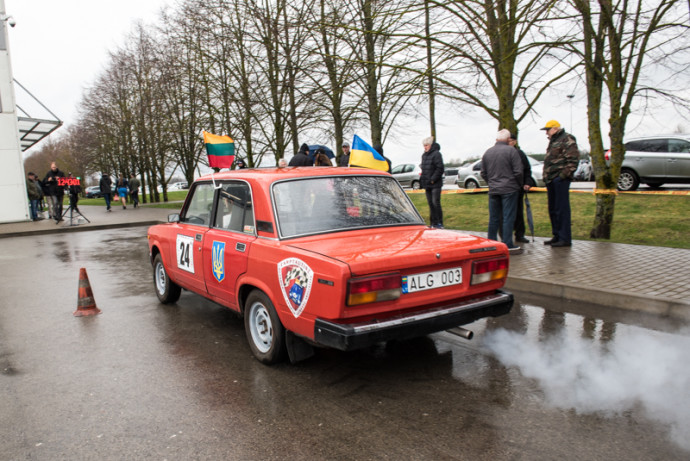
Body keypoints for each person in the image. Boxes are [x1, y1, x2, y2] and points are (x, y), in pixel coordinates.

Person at [481, 129, 524, 254]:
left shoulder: (488, 152)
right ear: (508, 139)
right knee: (507, 217)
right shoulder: (512, 151)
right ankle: (507, 243)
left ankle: (491, 242)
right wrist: (518, 184)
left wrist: (491, 182)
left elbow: (483, 172)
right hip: (509, 189)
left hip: (494, 189)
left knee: (493, 218)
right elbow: (518, 171)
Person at [541, 120, 580, 247]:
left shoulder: (567, 139)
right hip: (551, 180)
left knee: (561, 209)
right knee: (553, 209)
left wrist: (562, 176)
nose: (546, 132)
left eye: (548, 129)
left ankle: (565, 238)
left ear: (555, 128)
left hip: (560, 180)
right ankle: (557, 235)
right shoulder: (553, 141)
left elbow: (573, 160)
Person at [509, 132, 532, 243]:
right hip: (507, 187)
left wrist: (527, 182)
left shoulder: (520, 154)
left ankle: (520, 234)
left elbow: (527, 169)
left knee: (519, 212)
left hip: (518, 187)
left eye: (510, 141)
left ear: (514, 142)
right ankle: (506, 234)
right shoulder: (503, 153)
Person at [419, 136, 444, 228]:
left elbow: (440, 168)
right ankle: (433, 222)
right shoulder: (424, 155)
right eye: (424, 145)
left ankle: (439, 222)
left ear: (430, 145)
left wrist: (433, 179)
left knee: (435, 202)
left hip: (435, 184)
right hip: (427, 184)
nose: (425, 147)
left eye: (426, 145)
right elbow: (424, 169)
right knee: (430, 203)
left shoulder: (437, 154)